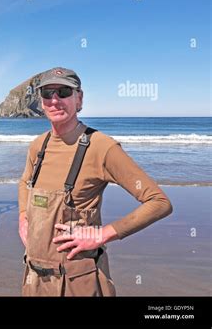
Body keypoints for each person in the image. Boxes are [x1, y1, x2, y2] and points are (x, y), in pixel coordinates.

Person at [18, 67, 173, 296]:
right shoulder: (38, 146)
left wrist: (104, 233)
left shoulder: (102, 147)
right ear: (40, 102)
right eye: (47, 93)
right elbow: (25, 183)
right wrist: (23, 216)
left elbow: (159, 202)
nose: (55, 100)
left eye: (63, 92)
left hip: (77, 282)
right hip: (34, 280)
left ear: (79, 99)